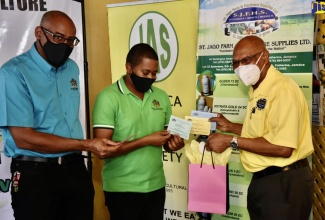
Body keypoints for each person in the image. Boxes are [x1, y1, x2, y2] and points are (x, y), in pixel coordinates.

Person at [0, 10, 120, 220]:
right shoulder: (14, 73)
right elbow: (23, 137)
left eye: (71, 40)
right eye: (58, 37)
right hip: (36, 174)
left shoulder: (72, 68)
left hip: (75, 170)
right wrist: (86, 144)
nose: (64, 45)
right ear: (39, 33)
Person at [205, 35, 314, 220]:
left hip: (284, 182)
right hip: (264, 182)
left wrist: (230, 141)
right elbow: (263, 133)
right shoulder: (258, 89)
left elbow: (283, 147)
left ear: (265, 56)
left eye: (246, 60)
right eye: (235, 63)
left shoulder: (282, 89)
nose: (240, 68)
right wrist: (230, 126)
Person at [92, 43, 185, 220]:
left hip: (156, 186)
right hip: (122, 189)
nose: (150, 77)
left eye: (154, 73)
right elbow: (102, 151)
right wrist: (146, 140)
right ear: (129, 68)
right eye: (145, 73)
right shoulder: (108, 97)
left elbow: (166, 141)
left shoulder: (161, 97)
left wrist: (174, 144)